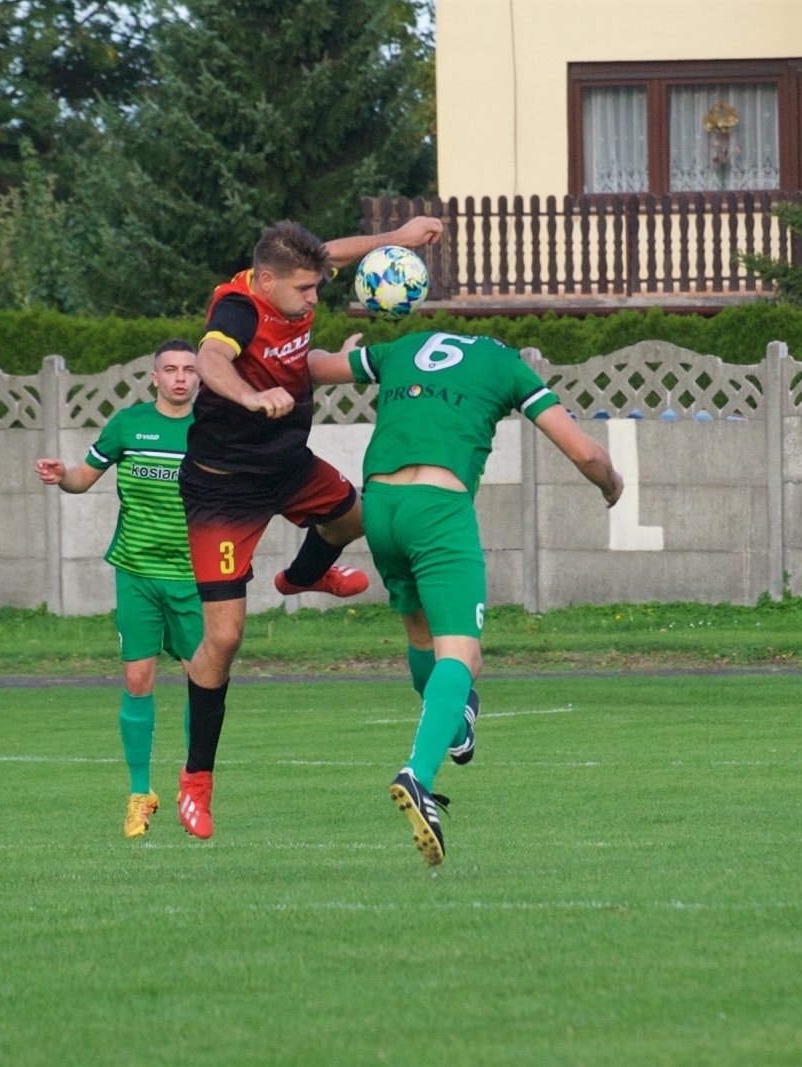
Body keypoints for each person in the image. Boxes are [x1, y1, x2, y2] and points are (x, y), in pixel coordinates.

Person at [309, 330, 623, 866]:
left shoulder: (404, 347)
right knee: (462, 654)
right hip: (438, 509)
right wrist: (611, 484)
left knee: (420, 634)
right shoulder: (505, 364)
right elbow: (585, 451)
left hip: (379, 505)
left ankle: (457, 725)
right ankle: (418, 775)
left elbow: (312, 367)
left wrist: (338, 351)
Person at [176, 216, 443, 839]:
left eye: (317, 285)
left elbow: (332, 255)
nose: (314, 298)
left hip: (289, 465)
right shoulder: (239, 308)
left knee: (357, 515)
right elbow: (209, 360)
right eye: (304, 289)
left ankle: (302, 577)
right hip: (223, 486)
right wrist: (249, 397)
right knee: (225, 638)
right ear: (266, 280)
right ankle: (196, 781)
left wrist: (399, 238)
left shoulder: (293, 284)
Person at [34, 339, 202, 838]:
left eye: (189, 370)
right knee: (137, 678)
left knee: (202, 681)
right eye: (170, 369)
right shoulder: (128, 425)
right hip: (136, 571)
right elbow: (83, 478)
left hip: (194, 577)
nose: (180, 378)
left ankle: (194, 786)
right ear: (154, 377)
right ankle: (139, 793)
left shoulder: (213, 430)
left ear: (200, 377)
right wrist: (63, 475)